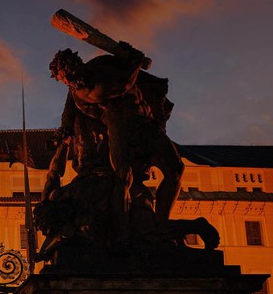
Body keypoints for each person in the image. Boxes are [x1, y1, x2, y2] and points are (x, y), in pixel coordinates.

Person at [49, 46, 183, 248]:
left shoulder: (99, 65)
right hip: (120, 126)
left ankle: (161, 225)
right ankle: (122, 235)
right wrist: (135, 61)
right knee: (123, 175)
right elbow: (123, 85)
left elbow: (123, 71)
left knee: (176, 170)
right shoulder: (84, 91)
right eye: (63, 80)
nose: (66, 82)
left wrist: (124, 54)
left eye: (64, 77)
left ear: (73, 67)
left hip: (146, 123)